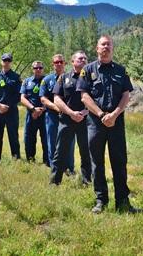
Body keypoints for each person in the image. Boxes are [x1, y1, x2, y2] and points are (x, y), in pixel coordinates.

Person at [78, 35, 137, 214]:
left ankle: (122, 201)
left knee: (119, 161)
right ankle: (101, 200)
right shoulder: (87, 70)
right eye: (103, 44)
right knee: (97, 162)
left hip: (116, 123)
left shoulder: (121, 70)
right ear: (97, 48)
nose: (106, 47)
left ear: (113, 48)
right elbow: (84, 96)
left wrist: (115, 114)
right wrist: (102, 114)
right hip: (96, 123)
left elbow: (126, 95)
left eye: (109, 45)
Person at [50, 51, 91, 185]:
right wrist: (71, 113)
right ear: (73, 61)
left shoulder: (91, 77)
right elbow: (56, 98)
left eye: (85, 59)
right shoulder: (64, 77)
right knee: (60, 151)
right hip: (67, 120)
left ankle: (87, 181)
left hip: (86, 120)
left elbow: (96, 99)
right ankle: (55, 181)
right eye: (80, 58)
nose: (83, 60)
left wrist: (85, 112)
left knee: (86, 152)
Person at [40, 54, 75, 171]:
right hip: (52, 116)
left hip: (69, 116)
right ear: (53, 64)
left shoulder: (72, 78)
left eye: (61, 62)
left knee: (69, 143)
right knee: (52, 141)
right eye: (56, 62)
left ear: (65, 63)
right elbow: (43, 98)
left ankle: (69, 169)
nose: (59, 64)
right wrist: (57, 107)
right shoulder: (46, 80)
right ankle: (54, 168)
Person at [0, 53, 21, 163]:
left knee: (13, 136)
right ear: (1, 62)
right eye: (4, 60)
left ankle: (16, 159)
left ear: (11, 62)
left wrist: (8, 106)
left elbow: (19, 95)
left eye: (8, 60)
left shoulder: (16, 77)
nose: (6, 62)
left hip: (11, 111)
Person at [20, 61, 48, 165]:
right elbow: (22, 98)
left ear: (43, 69)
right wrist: (33, 109)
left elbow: (53, 98)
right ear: (33, 69)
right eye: (36, 68)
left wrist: (41, 109)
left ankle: (47, 162)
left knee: (46, 139)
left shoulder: (48, 80)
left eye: (40, 68)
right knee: (29, 138)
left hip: (45, 115)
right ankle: (30, 160)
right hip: (31, 114)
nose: (38, 69)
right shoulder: (27, 81)